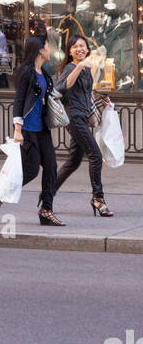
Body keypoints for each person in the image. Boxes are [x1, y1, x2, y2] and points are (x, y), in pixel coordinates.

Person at [0, 33, 65, 226]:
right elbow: (19, 100)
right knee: (30, 171)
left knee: (52, 169)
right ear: (40, 50)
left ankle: (46, 210)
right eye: (47, 46)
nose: (50, 50)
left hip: (42, 129)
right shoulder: (27, 72)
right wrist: (17, 129)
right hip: (28, 130)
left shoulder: (45, 73)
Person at [54, 34, 114, 217]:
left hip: (82, 118)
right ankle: (98, 199)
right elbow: (63, 87)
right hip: (74, 119)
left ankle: (47, 193)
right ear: (70, 51)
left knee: (73, 161)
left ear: (87, 49)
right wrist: (79, 66)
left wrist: (103, 99)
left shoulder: (87, 69)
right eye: (75, 47)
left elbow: (85, 92)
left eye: (82, 46)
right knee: (95, 155)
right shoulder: (72, 67)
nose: (79, 49)